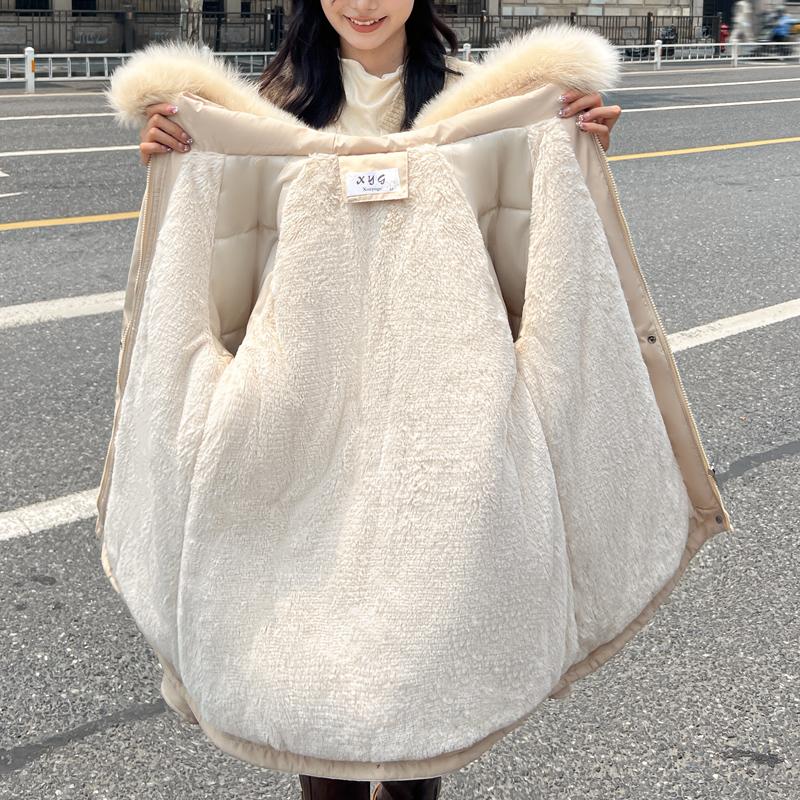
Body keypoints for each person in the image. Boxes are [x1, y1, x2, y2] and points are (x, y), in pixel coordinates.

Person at [135, 2, 623, 798]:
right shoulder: (263, 111)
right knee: (314, 706)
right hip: (302, 439)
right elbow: (219, 270)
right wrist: (175, 159)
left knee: (421, 711)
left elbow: (537, 261)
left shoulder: (486, 102)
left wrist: (572, 150)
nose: (363, 4)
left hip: (439, 444)